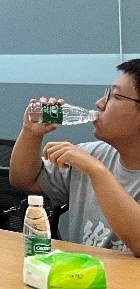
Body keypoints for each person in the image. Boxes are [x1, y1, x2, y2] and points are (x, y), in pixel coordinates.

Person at [10, 62, 140, 255]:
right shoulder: (93, 154)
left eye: (115, 96)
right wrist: (31, 133)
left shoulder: (91, 163)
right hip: (81, 272)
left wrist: (97, 172)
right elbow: (23, 180)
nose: (100, 103)